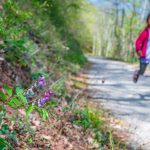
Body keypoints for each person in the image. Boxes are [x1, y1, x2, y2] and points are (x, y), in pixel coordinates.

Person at [133, 13, 150, 83]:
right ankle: (137, 73)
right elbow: (138, 41)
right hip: (145, 54)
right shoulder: (146, 32)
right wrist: (138, 50)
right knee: (142, 71)